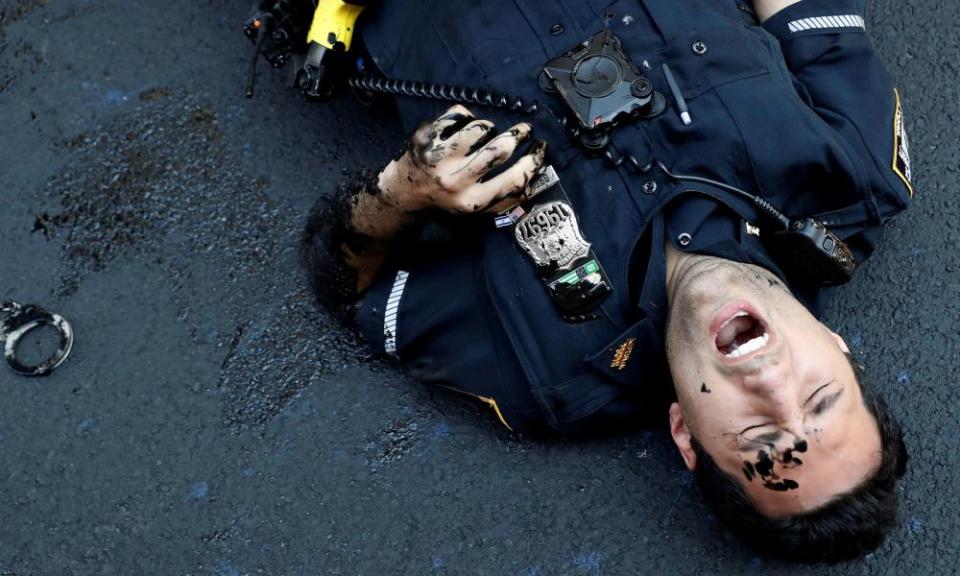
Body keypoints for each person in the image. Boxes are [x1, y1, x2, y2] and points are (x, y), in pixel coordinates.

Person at [300, 0, 911, 563]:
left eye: (757, 434)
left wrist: (404, 189)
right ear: (841, 351)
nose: (771, 382)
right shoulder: (856, 176)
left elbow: (347, 285)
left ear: (686, 437)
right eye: (820, 398)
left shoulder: (542, 371)